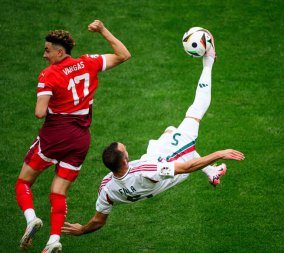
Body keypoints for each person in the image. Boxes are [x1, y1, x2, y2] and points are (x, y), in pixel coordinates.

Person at [61, 32, 245, 239]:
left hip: (155, 156)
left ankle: (212, 173)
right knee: (196, 111)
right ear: (125, 159)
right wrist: (219, 153)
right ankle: (209, 60)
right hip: (174, 159)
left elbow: (98, 220)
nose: (126, 148)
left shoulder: (107, 188)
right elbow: (187, 167)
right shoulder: (145, 170)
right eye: (125, 149)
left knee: (169, 130)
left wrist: (82, 229)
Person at [15, 20, 131, 253]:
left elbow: (39, 113)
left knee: (23, 182)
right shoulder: (87, 62)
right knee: (58, 191)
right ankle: (53, 241)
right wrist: (102, 30)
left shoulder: (48, 75)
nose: (44, 55)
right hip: (80, 139)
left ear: (60, 51)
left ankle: (31, 220)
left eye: (47, 50)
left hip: (55, 136)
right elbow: (123, 54)